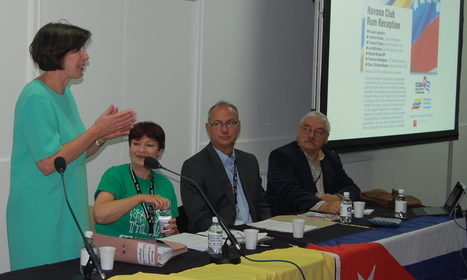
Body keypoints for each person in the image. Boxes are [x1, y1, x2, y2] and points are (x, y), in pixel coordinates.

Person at [7, 21, 136, 270]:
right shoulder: (35, 96)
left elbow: (73, 154)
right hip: (41, 212)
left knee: (71, 279)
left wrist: (101, 137)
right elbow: (48, 163)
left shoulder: (64, 94)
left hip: (68, 208)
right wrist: (96, 130)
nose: (85, 57)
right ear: (56, 54)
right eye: (78, 50)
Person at [181, 101, 270, 233]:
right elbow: (200, 218)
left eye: (230, 123)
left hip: (255, 234)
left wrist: (266, 227)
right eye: (217, 124)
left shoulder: (249, 161)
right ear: (208, 128)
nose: (224, 130)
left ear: (239, 126)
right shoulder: (194, 166)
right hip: (221, 238)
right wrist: (232, 233)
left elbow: (262, 204)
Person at [266, 111, 360, 215]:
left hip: (327, 218)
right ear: (298, 132)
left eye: (318, 132)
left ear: (326, 138)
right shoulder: (281, 156)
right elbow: (290, 192)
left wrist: (336, 197)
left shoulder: (331, 158)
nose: (311, 135)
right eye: (306, 129)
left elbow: (352, 187)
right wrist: (324, 206)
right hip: (294, 218)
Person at [94, 122, 178, 238]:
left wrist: (172, 230)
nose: (141, 150)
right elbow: (100, 215)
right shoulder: (115, 175)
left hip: (156, 252)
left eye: (149, 145)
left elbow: (173, 231)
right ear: (129, 148)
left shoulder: (165, 183)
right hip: (117, 252)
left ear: (160, 151)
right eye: (136, 144)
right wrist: (140, 198)